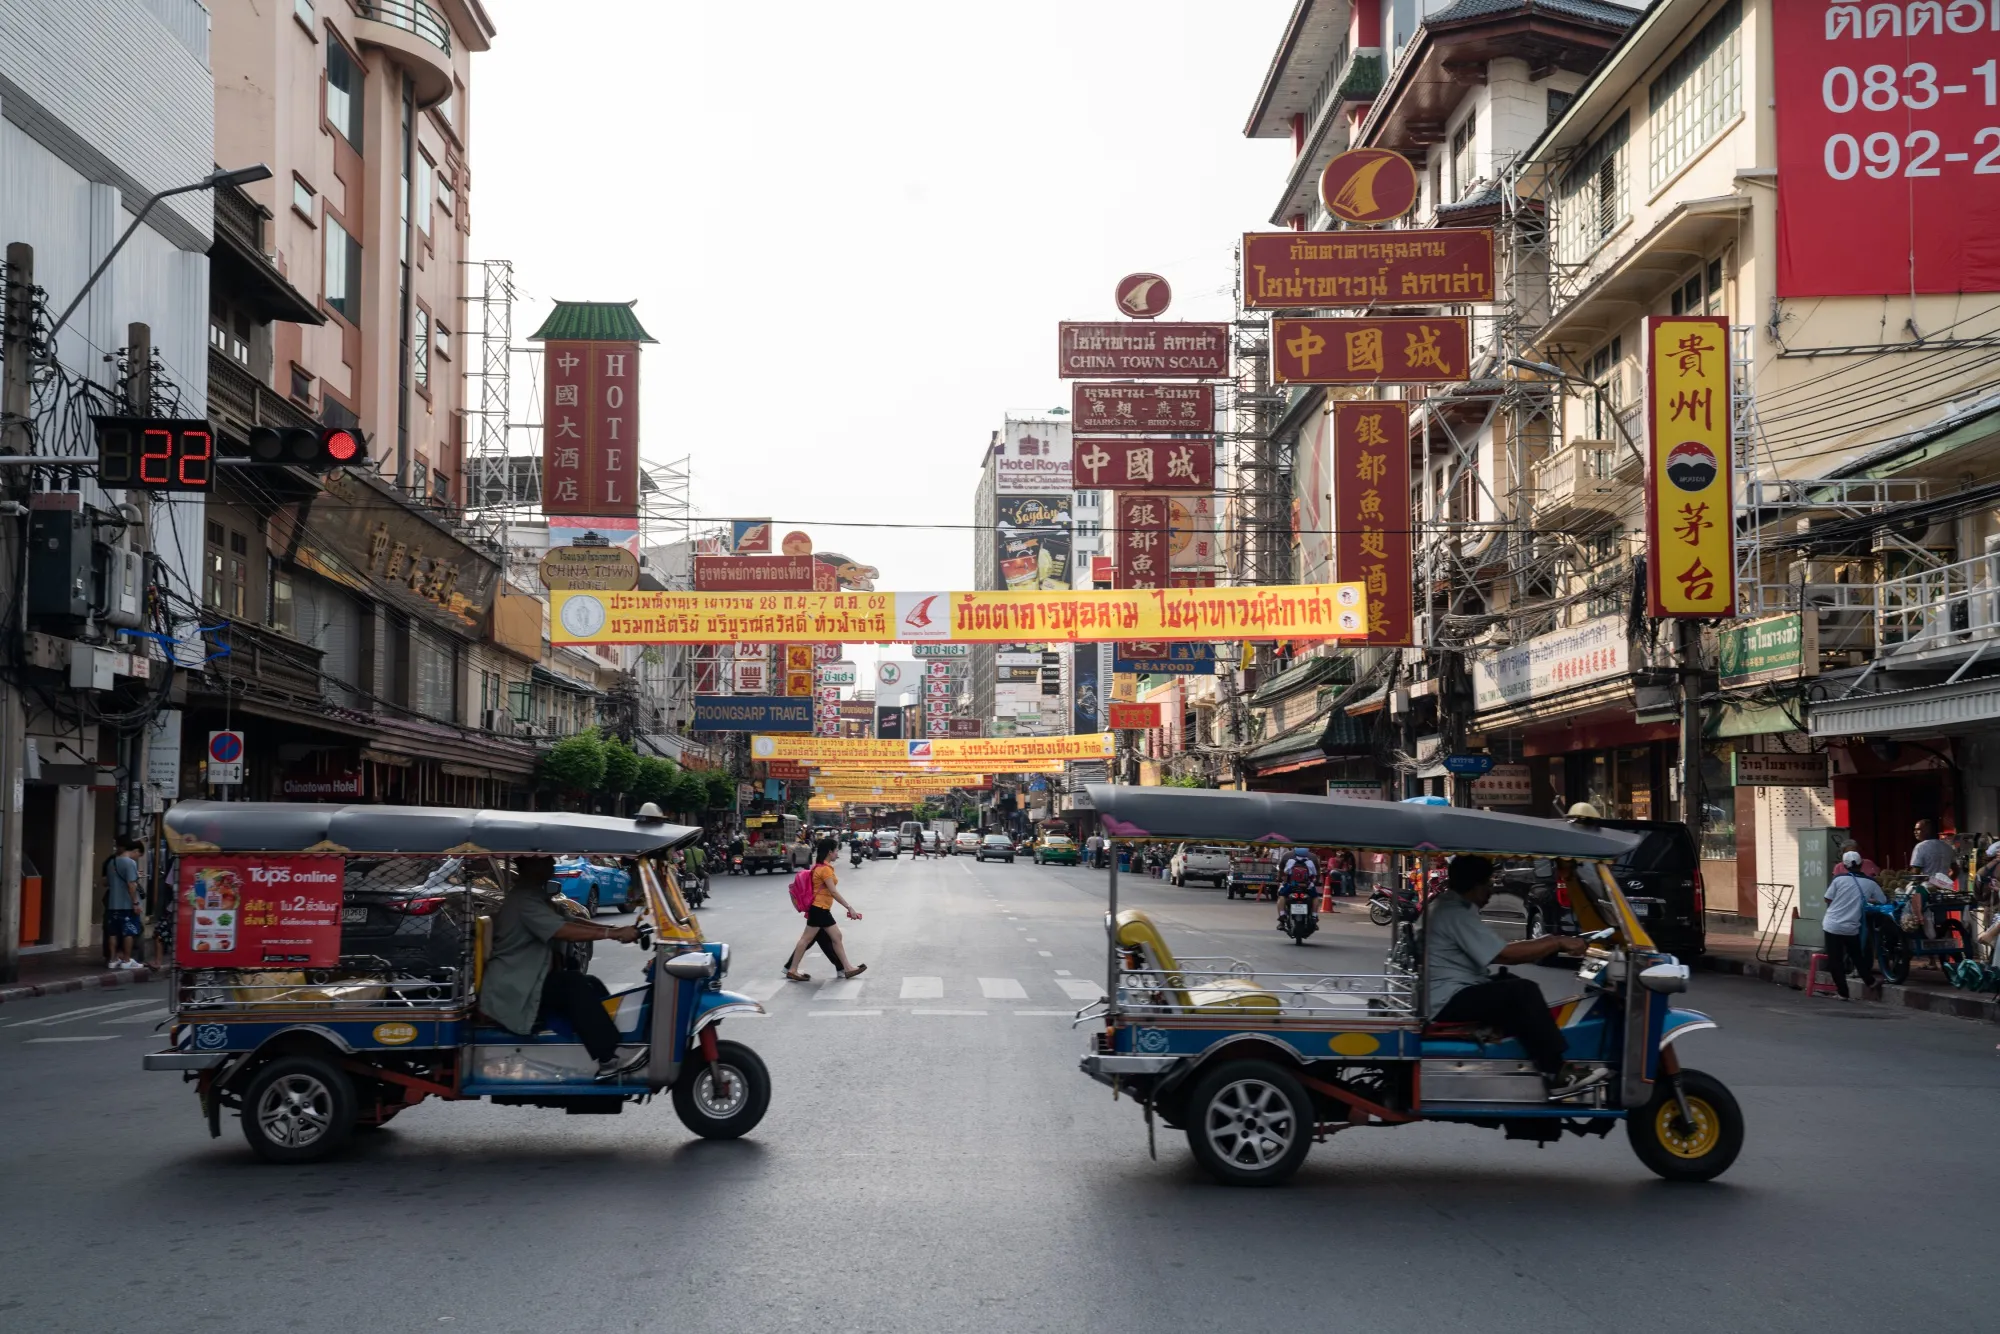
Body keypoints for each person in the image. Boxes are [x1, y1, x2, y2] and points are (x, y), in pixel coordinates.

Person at [1424, 854, 1599, 1098]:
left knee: (1510, 984)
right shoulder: (1455, 913)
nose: (1491, 892)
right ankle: (1556, 1072)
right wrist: (1555, 942)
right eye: (1488, 884)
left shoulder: (1449, 907)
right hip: (1446, 999)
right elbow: (1504, 954)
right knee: (1523, 992)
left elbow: (1495, 947)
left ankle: (1526, 1053)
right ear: (1475, 886)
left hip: (1447, 991)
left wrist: (1547, 942)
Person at [480, 855, 644, 1081]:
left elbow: (570, 921)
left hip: (529, 978)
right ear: (532, 866)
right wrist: (611, 934)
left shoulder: (537, 897)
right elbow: (561, 930)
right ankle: (608, 1058)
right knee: (573, 984)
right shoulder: (525, 901)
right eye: (546, 860)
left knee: (590, 983)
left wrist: (616, 930)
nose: (552, 864)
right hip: (517, 986)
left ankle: (613, 1044)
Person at [786, 839, 866, 982]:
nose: (837, 853)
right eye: (836, 851)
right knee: (809, 939)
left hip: (820, 909)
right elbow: (833, 892)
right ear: (830, 852)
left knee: (834, 937)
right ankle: (793, 969)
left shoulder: (819, 867)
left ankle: (847, 968)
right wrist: (849, 907)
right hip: (820, 909)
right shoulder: (825, 870)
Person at [1821, 849, 1886, 1001]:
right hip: (1852, 927)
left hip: (1832, 925)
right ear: (1861, 864)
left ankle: (1843, 992)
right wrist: (1868, 900)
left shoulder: (1838, 880)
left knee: (1835, 960)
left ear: (1844, 866)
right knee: (1857, 956)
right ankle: (1870, 982)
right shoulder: (1871, 883)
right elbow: (1883, 900)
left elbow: (1827, 898)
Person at [102, 838, 144, 970]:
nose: (137, 857)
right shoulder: (130, 863)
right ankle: (126, 960)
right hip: (126, 905)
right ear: (134, 850)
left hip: (112, 904)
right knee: (128, 932)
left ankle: (113, 959)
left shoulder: (111, 862)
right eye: (138, 854)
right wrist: (135, 903)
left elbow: (106, 882)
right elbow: (131, 885)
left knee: (113, 932)